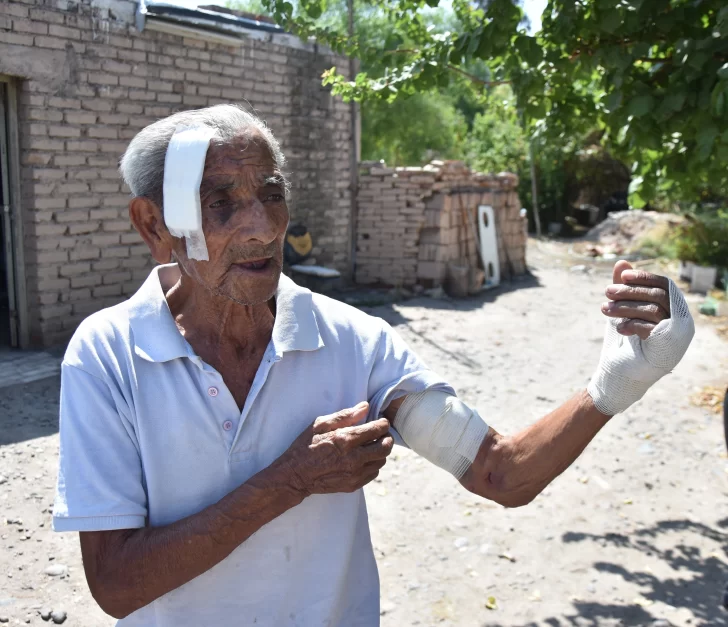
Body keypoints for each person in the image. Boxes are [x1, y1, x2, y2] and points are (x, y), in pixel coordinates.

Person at [52, 104, 694, 627]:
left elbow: (502, 472)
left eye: (271, 195)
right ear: (155, 225)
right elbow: (115, 584)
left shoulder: (354, 342)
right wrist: (291, 479)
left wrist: (619, 379)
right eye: (220, 203)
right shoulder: (108, 355)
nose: (259, 227)